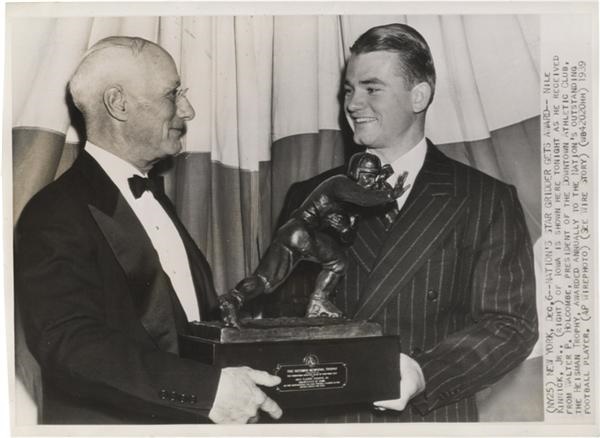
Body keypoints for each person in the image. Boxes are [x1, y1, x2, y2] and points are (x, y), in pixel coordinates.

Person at [270, 23, 538, 422]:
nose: (353, 104)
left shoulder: (485, 199)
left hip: (427, 417)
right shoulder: (309, 195)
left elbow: (511, 325)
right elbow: (285, 317)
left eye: (371, 88)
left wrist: (422, 373)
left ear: (419, 96)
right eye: (348, 90)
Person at [14, 36, 282, 424]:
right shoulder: (54, 212)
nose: (187, 110)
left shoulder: (154, 198)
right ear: (118, 104)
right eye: (173, 94)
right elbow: (70, 347)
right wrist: (207, 392)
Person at [219, 152, 408, 327]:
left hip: (292, 232)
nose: (370, 181)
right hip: (302, 231)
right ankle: (318, 301)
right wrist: (389, 194)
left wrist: (344, 228)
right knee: (338, 262)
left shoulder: (352, 205)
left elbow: (348, 236)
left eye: (373, 176)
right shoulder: (340, 183)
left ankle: (234, 298)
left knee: (266, 281)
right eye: (366, 175)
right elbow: (363, 196)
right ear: (354, 173)